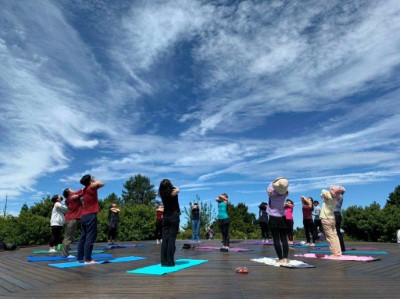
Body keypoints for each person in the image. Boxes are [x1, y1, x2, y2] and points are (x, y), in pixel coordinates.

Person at [77, 174, 105, 264]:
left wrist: (94, 182)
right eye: (92, 177)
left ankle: (79, 258)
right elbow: (102, 184)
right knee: (90, 237)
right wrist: (96, 181)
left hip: (84, 216)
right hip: (90, 215)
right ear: (89, 180)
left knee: (83, 237)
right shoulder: (90, 187)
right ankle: (88, 260)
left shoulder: (85, 189)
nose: (94, 178)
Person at [267, 177, 289, 264]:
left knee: (276, 239)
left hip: (273, 217)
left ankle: (280, 258)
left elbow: (270, 186)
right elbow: (284, 188)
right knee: (284, 239)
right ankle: (285, 259)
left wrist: (275, 183)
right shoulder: (285, 194)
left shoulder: (271, 193)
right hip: (282, 217)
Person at [158, 179, 180, 267]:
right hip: (174, 217)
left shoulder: (162, 194)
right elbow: (177, 189)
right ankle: (170, 262)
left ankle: (163, 261)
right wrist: (176, 189)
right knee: (171, 239)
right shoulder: (174, 192)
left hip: (165, 218)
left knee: (165, 240)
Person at [320, 185, 346, 258]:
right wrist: (336, 190)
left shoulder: (328, 196)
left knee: (330, 237)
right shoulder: (337, 198)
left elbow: (323, 191)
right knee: (335, 236)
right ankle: (338, 252)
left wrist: (332, 190)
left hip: (326, 218)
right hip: (332, 218)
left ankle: (334, 254)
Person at [61, 188, 83, 258]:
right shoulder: (71, 197)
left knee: (68, 236)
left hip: (70, 219)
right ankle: (65, 254)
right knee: (68, 237)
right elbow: (83, 191)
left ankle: (65, 253)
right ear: (69, 193)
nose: (73, 189)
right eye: (71, 189)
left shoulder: (68, 199)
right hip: (71, 219)